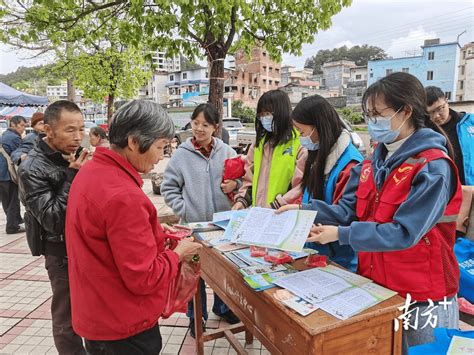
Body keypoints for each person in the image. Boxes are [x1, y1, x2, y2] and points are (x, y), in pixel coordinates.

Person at [278, 72, 461, 350]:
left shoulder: (432, 167)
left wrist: (341, 234)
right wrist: (303, 210)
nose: (371, 121)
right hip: (377, 287)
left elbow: (404, 232)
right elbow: (348, 212)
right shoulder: (374, 163)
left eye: (377, 114)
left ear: (406, 111)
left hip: (422, 296)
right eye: (368, 114)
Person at [65, 100, 202, 354]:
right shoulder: (124, 196)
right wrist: (177, 253)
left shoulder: (92, 170)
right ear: (134, 142)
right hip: (123, 326)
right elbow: (145, 277)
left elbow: (108, 238)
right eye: (160, 147)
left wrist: (156, 234)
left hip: (99, 312)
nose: (161, 156)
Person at [161, 103, 240, 338]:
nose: (199, 129)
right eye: (195, 124)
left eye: (205, 125)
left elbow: (242, 181)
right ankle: (196, 316)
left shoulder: (227, 152)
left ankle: (223, 307)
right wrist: (184, 208)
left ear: (215, 127)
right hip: (192, 228)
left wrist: (235, 186)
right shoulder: (182, 155)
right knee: (192, 274)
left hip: (221, 226)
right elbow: (169, 187)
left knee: (222, 271)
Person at [18, 101, 89, 354]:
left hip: (85, 245)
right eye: (70, 130)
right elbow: (52, 219)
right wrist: (72, 176)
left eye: (81, 129)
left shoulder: (74, 154)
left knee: (91, 310)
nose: (78, 136)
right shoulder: (31, 168)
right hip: (59, 252)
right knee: (66, 318)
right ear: (48, 130)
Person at [291, 95, 363, 271]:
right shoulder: (317, 154)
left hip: (339, 258)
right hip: (315, 251)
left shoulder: (350, 164)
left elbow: (346, 214)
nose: (301, 137)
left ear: (318, 127)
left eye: (302, 132)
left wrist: (305, 211)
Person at [232, 89, 307, 209]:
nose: (264, 118)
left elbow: (301, 185)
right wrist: (242, 201)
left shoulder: (299, 144)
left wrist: (279, 203)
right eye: (261, 115)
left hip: (284, 213)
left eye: (268, 113)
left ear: (281, 112)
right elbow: (249, 180)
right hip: (259, 214)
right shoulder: (258, 145)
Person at [426, 86, 474, 185]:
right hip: (447, 192)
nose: (436, 116)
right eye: (430, 113)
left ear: (447, 101)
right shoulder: (426, 133)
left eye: (440, 109)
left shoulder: (469, 122)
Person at [0, 115, 27, 234]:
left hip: (2, 174)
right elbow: (17, 155)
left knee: (6, 200)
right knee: (13, 200)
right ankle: (12, 226)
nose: (23, 129)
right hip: (8, 173)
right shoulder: (15, 138)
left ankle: (13, 221)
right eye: (21, 126)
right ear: (13, 124)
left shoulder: (4, 135)